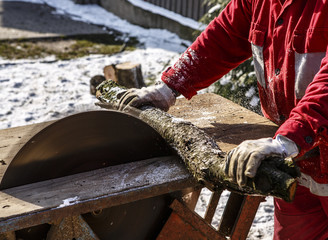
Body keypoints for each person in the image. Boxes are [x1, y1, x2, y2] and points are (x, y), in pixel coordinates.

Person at [118, 0, 328, 239]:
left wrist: (290, 137)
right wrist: (169, 87)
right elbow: (223, 37)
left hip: (298, 142)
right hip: (298, 161)